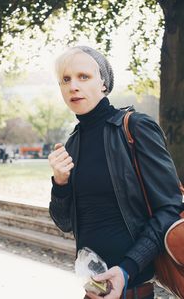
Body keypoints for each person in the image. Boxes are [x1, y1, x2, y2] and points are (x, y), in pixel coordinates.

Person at [48, 46, 183, 299]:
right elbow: (64, 223)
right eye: (65, 79)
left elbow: (170, 207)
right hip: (94, 289)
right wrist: (60, 183)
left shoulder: (134, 127)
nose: (73, 86)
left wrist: (126, 269)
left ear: (104, 83)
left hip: (133, 287)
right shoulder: (72, 144)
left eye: (83, 76)